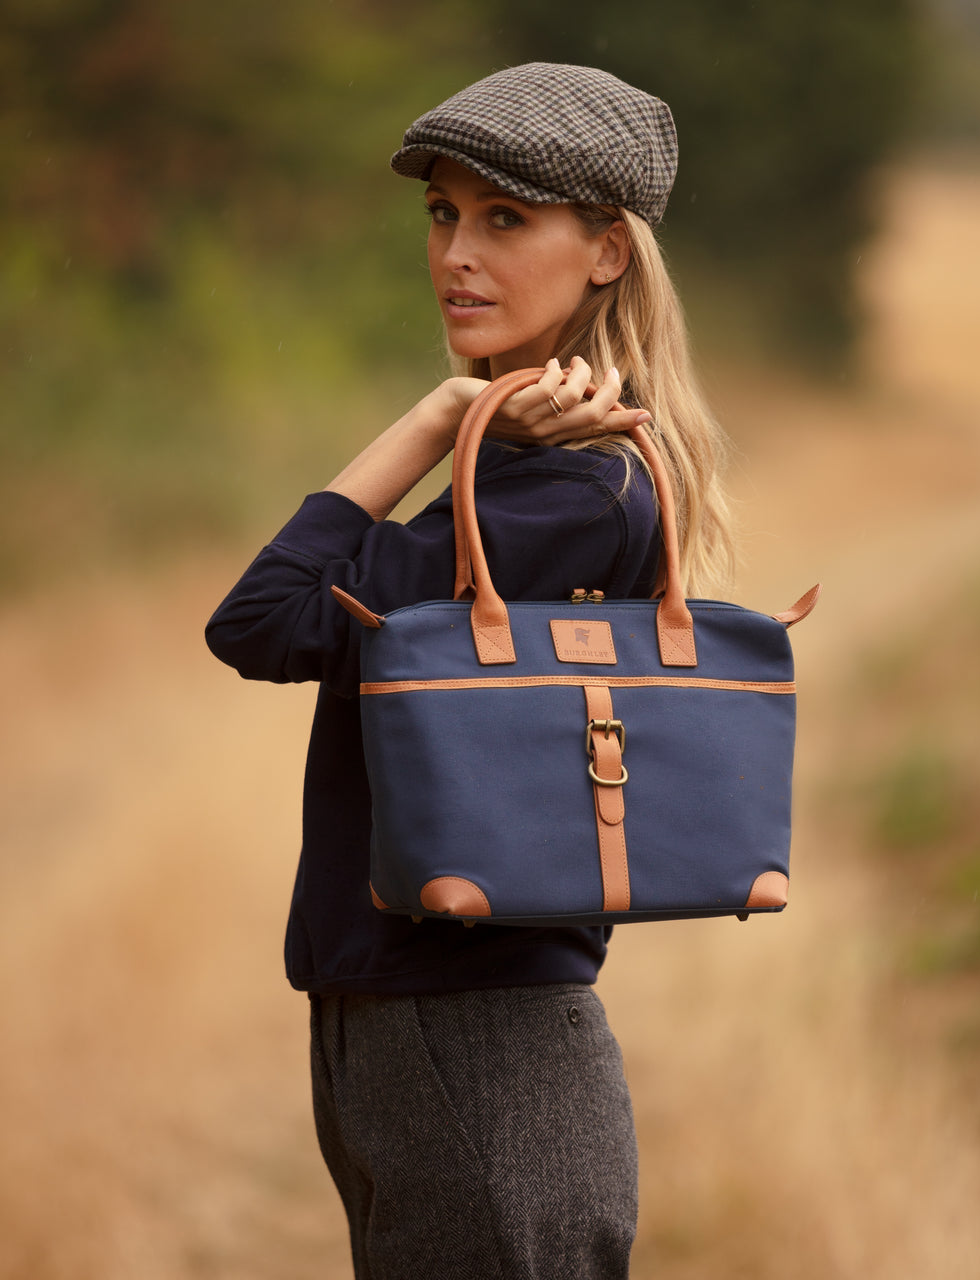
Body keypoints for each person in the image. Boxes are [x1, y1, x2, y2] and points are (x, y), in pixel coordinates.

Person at [206, 62, 734, 1280]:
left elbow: (263, 619)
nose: (457, 251)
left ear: (607, 251)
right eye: (444, 213)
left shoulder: (565, 489)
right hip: (416, 1018)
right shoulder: (533, 473)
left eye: (506, 217)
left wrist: (438, 420)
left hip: (471, 1034)